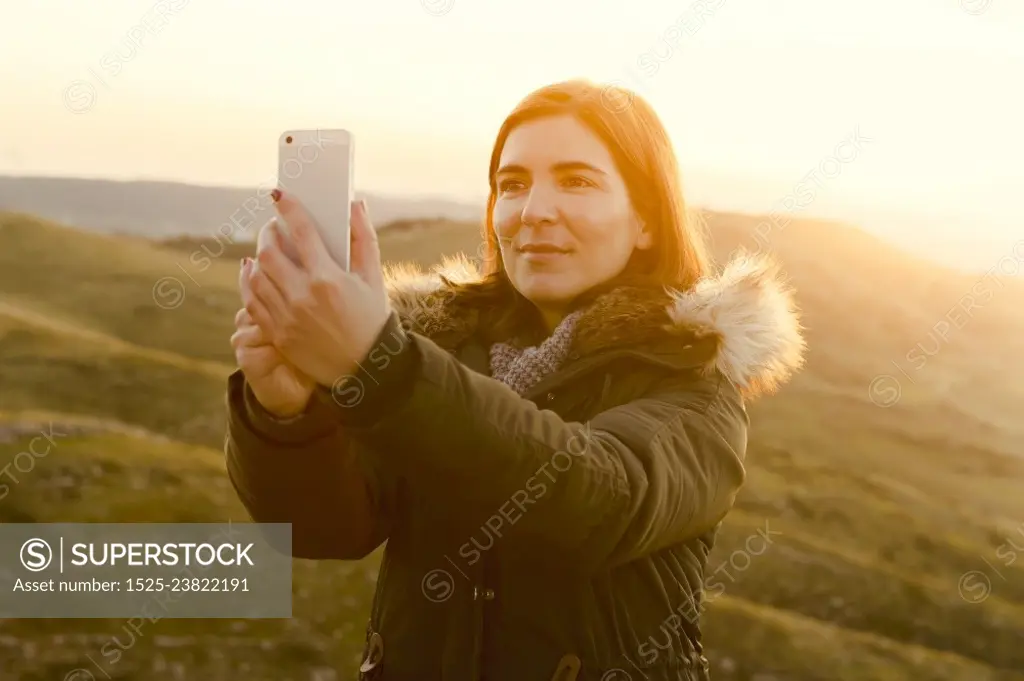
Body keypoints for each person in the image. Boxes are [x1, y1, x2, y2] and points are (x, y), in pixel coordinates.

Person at [224, 79, 805, 681]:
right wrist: (286, 411)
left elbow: (597, 501)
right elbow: (328, 531)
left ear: (646, 222)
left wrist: (380, 364)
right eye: (512, 184)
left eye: (577, 181)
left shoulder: (693, 384)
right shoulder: (438, 355)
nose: (533, 210)